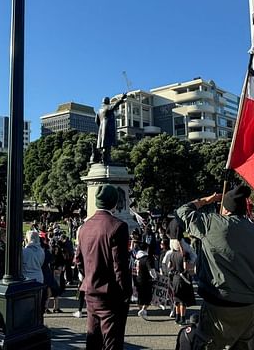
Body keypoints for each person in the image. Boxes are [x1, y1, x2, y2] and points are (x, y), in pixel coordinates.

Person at [176, 185, 254, 350]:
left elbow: (182, 212)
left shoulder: (213, 224)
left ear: (225, 208)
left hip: (220, 306)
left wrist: (208, 199)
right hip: (250, 306)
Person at [76, 184, 133, 349]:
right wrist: (126, 293)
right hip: (111, 295)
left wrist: (89, 277)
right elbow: (120, 266)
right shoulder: (118, 226)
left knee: (93, 339)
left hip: (90, 291)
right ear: (114, 202)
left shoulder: (84, 227)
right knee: (112, 342)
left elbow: (78, 260)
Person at [165, 237, 195, 325]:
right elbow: (185, 267)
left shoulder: (172, 254)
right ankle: (182, 318)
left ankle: (177, 318)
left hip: (175, 278)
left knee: (177, 299)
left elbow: (169, 266)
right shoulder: (184, 255)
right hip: (183, 278)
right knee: (183, 301)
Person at [92, 94, 128, 164]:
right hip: (108, 128)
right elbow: (115, 106)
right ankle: (106, 159)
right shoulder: (108, 107)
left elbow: (96, 121)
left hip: (102, 129)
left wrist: (101, 127)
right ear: (108, 102)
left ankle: (105, 158)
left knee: (105, 144)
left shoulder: (99, 110)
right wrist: (121, 99)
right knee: (107, 144)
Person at [133, 241, 154, 319]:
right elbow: (151, 270)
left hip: (137, 279)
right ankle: (143, 309)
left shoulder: (136, 258)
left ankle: (141, 310)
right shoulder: (147, 258)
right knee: (148, 297)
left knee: (140, 296)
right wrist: (154, 277)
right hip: (146, 280)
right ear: (146, 248)